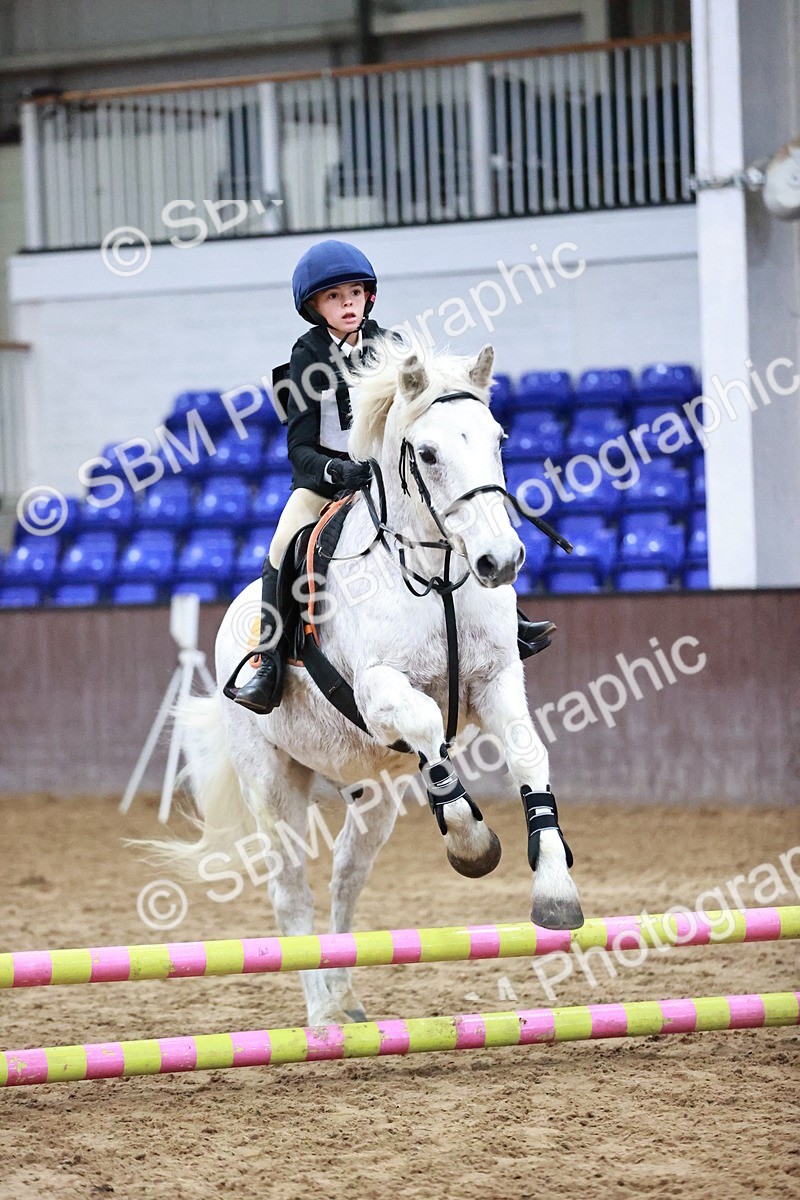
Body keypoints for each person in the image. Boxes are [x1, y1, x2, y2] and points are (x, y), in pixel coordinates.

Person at [233, 238, 555, 716]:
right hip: (328, 480)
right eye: (333, 297)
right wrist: (340, 470)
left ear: (368, 297)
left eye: (354, 294)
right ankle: (269, 658)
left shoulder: (392, 346)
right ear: (315, 306)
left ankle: (510, 622)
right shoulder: (303, 358)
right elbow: (298, 450)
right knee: (282, 545)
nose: (346, 304)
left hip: (388, 478)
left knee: (453, 516)